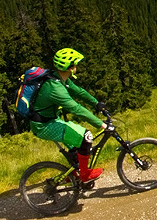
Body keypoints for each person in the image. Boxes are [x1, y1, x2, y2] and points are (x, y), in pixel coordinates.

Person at [29, 48, 108, 185]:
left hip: (51, 120)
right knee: (86, 136)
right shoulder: (55, 88)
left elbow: (79, 92)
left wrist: (96, 103)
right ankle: (85, 175)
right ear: (70, 67)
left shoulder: (59, 78)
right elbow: (75, 108)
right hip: (43, 126)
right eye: (75, 64)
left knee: (76, 147)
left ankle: (71, 176)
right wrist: (100, 124)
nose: (77, 66)